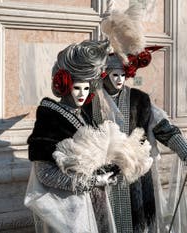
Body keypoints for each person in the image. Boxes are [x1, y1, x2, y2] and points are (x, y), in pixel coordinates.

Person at [87, 52, 187, 233]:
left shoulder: (139, 99)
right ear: (105, 75)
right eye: (115, 74)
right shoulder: (91, 101)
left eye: (123, 75)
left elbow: (162, 127)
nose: (119, 79)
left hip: (135, 175)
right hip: (103, 174)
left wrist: (186, 151)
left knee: (137, 222)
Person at [24, 39, 118, 233]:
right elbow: (45, 173)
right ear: (65, 85)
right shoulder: (50, 118)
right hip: (68, 211)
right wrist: (92, 182)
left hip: (92, 205)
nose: (82, 94)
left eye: (86, 88)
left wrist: (105, 174)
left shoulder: (83, 114)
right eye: (77, 87)